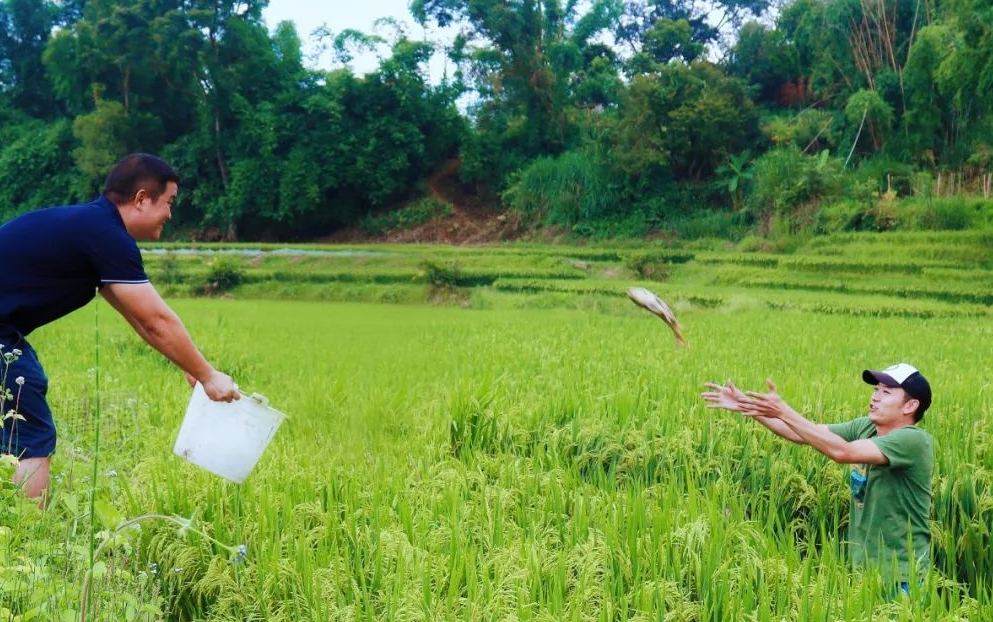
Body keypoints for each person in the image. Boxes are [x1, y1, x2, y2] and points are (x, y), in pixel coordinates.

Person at [0, 153, 240, 504]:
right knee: (29, 424)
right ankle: (27, 536)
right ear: (141, 199)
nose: (170, 215)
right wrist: (208, 376)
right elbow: (155, 320)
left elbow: (139, 317)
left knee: (19, 399)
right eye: (169, 202)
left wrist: (191, 367)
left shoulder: (92, 227)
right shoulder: (105, 234)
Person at [701, 363, 933, 591]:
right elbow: (800, 432)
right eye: (875, 390)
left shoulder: (913, 441)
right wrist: (745, 404)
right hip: (862, 573)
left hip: (901, 578)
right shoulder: (866, 428)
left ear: (910, 405)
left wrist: (784, 410)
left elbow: (843, 452)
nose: (875, 397)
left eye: (886, 392)